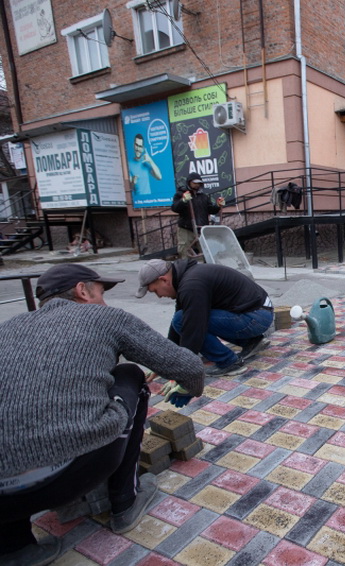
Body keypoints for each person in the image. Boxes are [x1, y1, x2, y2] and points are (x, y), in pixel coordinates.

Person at [0, 265, 205, 566]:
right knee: (130, 373)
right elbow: (189, 367)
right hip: (67, 476)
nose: (105, 302)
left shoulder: (8, 327)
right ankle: (125, 502)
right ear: (83, 291)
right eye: (101, 294)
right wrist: (191, 388)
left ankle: (14, 548)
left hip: (5, 501)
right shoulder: (104, 317)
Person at [136, 258, 273, 377]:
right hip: (259, 313)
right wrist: (164, 361)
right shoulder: (188, 278)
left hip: (255, 317)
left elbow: (192, 328)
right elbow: (177, 327)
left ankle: (229, 362)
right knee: (182, 318)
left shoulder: (191, 285)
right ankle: (251, 342)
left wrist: (183, 369)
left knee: (184, 320)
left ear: (163, 280)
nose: (159, 296)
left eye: (155, 291)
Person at [171, 172, 223, 259]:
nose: (197, 185)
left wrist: (218, 206)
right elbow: (174, 208)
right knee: (184, 252)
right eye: (194, 183)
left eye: (199, 183)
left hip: (200, 229)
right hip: (186, 228)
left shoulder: (203, 196)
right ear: (189, 182)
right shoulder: (180, 194)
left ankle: (205, 269)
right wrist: (183, 200)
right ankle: (186, 269)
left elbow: (210, 209)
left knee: (206, 252)